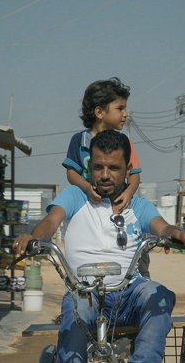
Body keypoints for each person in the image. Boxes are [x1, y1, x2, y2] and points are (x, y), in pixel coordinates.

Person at [14, 130, 185, 362]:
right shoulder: (75, 196)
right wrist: (34, 238)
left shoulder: (138, 206)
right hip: (85, 292)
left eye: (114, 168)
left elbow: (161, 227)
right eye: (98, 167)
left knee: (157, 293)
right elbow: (50, 222)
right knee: (76, 306)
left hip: (129, 292)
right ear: (90, 168)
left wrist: (174, 234)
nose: (105, 175)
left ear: (128, 170)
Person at [62, 77, 151, 277]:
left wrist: (128, 194)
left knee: (136, 257)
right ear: (100, 112)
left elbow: (135, 175)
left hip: (120, 210)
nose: (125, 114)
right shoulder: (79, 141)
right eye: (120, 108)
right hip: (91, 213)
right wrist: (87, 188)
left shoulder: (124, 142)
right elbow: (71, 172)